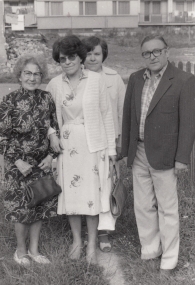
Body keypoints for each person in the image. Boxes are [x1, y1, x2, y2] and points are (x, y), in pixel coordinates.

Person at [121, 35, 195, 276]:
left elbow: (188, 122)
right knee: (143, 205)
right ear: (142, 55)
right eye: (147, 53)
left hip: (166, 155)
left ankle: (169, 259)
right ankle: (150, 249)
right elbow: (128, 117)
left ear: (167, 51)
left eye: (157, 51)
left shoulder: (183, 80)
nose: (152, 56)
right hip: (139, 151)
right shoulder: (135, 79)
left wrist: (181, 158)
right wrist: (126, 151)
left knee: (167, 208)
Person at [46, 35, 116, 264]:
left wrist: (112, 150)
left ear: (80, 57)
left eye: (71, 57)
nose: (67, 62)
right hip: (67, 147)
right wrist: (52, 135)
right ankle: (77, 241)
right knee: (72, 195)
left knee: (91, 196)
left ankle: (92, 245)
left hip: (93, 146)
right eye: (62, 59)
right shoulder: (55, 84)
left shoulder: (96, 80)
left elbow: (107, 115)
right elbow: (46, 117)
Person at [0, 54, 59, 266]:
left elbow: (54, 129)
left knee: (40, 205)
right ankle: (21, 250)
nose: (32, 78)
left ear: (41, 76)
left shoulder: (46, 99)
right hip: (18, 166)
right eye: (28, 73)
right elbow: (2, 136)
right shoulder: (9, 101)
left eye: (36, 74)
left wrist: (51, 156)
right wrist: (17, 161)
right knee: (22, 207)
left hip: (41, 162)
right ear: (20, 75)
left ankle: (34, 249)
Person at [82, 36, 125, 252]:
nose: (92, 58)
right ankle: (86, 231)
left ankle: (104, 233)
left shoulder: (114, 78)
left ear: (103, 55)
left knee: (107, 186)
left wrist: (117, 143)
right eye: (88, 53)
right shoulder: (77, 77)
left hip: (109, 140)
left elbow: (119, 112)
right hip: (87, 143)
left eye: (96, 53)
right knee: (88, 187)